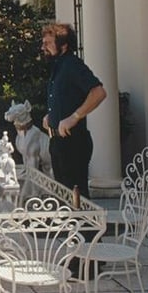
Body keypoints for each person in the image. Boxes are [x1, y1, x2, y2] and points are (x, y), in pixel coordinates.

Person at [41, 22, 106, 200]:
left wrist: (75, 117)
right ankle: (73, 227)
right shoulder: (58, 67)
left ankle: (86, 229)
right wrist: (51, 114)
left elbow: (99, 92)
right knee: (64, 197)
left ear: (64, 45)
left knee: (77, 198)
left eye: (48, 43)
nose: (43, 47)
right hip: (57, 141)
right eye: (43, 43)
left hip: (73, 142)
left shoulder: (72, 65)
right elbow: (67, 97)